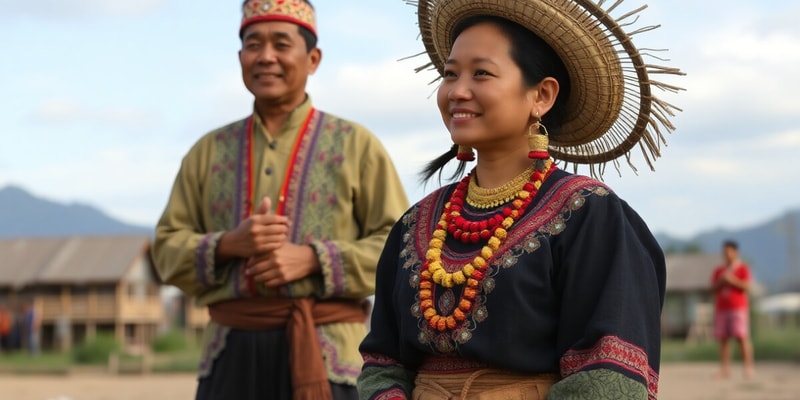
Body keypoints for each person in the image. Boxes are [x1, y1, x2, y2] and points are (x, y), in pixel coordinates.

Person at [358, 0, 683, 399]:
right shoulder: (414, 224)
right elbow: (382, 363)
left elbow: (609, 380)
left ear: (541, 96)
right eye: (450, 74)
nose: (458, 91)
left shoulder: (591, 217)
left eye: (481, 73)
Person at [152, 1, 408, 399]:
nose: (265, 56)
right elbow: (165, 248)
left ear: (313, 58)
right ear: (240, 57)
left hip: (331, 358)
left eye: (281, 44)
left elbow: (401, 250)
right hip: (229, 355)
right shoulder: (207, 151)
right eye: (254, 44)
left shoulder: (357, 146)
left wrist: (312, 259)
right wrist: (227, 245)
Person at [711, 240, 754, 379]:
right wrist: (722, 281)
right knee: (723, 340)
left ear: (735, 252)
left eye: (728, 251)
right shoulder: (718, 271)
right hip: (722, 309)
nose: (726, 255)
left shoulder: (742, 269)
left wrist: (731, 280)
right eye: (724, 252)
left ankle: (748, 368)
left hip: (738, 308)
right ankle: (725, 369)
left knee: (741, 337)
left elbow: (747, 286)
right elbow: (712, 289)